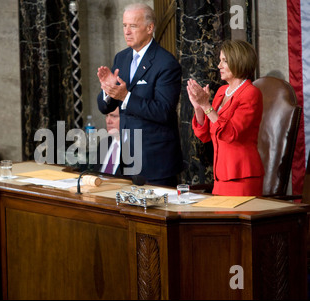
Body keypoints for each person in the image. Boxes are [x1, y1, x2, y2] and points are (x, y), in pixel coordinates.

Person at [97, 3, 183, 186]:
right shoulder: (121, 57)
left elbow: (164, 111)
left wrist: (125, 97)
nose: (127, 31)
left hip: (155, 163)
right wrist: (107, 90)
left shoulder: (166, 63)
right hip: (127, 161)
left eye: (133, 26)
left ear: (150, 28)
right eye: (124, 25)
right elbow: (104, 106)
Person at [187, 39, 264, 196]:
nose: (219, 66)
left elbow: (231, 134)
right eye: (219, 60)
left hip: (242, 176)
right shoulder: (222, 91)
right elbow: (204, 135)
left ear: (238, 62)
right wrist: (199, 107)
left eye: (224, 61)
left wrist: (207, 106)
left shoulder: (251, 93)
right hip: (220, 177)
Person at [95, 107, 121, 175]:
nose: (108, 121)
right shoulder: (104, 143)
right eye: (107, 116)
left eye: (114, 116)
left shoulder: (133, 147)